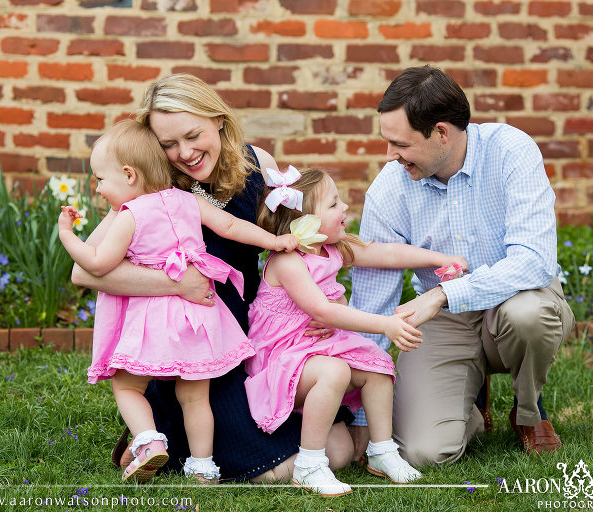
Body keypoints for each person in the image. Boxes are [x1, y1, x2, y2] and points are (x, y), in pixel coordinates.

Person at [71, 73, 354, 483]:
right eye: (168, 144)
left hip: (254, 338)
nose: (184, 153)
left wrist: (322, 305)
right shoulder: (155, 188)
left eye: (193, 135)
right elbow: (86, 271)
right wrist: (176, 284)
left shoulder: (259, 166)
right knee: (272, 472)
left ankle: (168, 437)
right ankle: (164, 431)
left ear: (218, 120)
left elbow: (293, 244)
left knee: (340, 450)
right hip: (192, 350)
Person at [350, 65, 576, 465]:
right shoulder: (389, 189)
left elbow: (536, 261)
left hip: (515, 301)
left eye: (399, 143)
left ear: (441, 133)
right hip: (447, 324)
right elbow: (373, 304)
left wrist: (443, 293)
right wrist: (360, 412)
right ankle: (468, 405)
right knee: (422, 453)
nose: (389, 156)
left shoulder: (510, 151)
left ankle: (528, 412)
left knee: (530, 316)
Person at [59, 119, 299, 483]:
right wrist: (275, 242)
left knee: (126, 386)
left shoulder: (131, 216)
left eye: (100, 180)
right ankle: (203, 468)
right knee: (195, 397)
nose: (99, 189)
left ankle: (148, 442)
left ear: (128, 174)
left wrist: (66, 233)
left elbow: (94, 263)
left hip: (155, 322)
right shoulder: (188, 199)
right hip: (200, 319)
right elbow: (233, 227)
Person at [245, 166, 468, 496]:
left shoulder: (333, 247)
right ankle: (308, 465)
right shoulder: (287, 261)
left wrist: (442, 258)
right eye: (333, 204)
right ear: (303, 220)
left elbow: (388, 252)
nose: (345, 208)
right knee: (334, 372)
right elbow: (323, 310)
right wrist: (386, 324)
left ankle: (382, 451)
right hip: (282, 356)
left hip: (315, 349)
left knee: (377, 364)